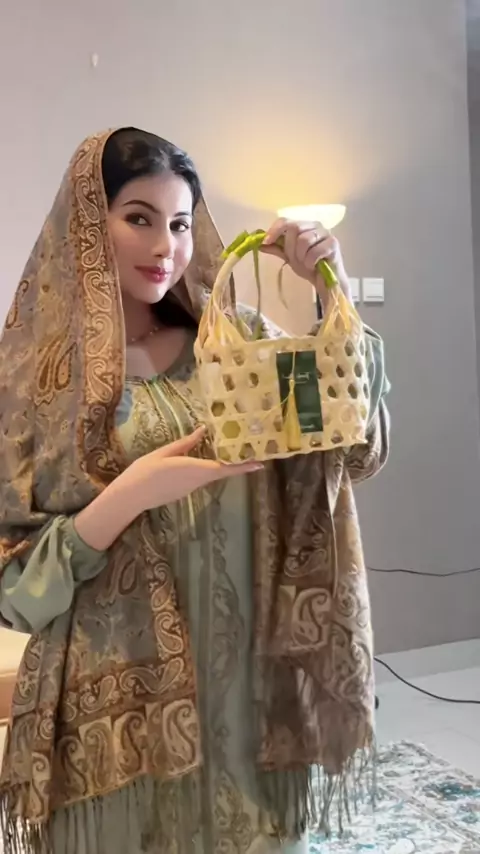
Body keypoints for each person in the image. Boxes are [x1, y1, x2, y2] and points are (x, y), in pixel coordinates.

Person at [0, 127, 389, 854]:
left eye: (180, 224)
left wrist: (328, 290)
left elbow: (350, 444)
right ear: (86, 224)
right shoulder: (36, 380)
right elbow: (16, 587)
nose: (165, 246)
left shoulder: (235, 342)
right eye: (138, 217)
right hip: (121, 702)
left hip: (247, 683)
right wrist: (131, 493)